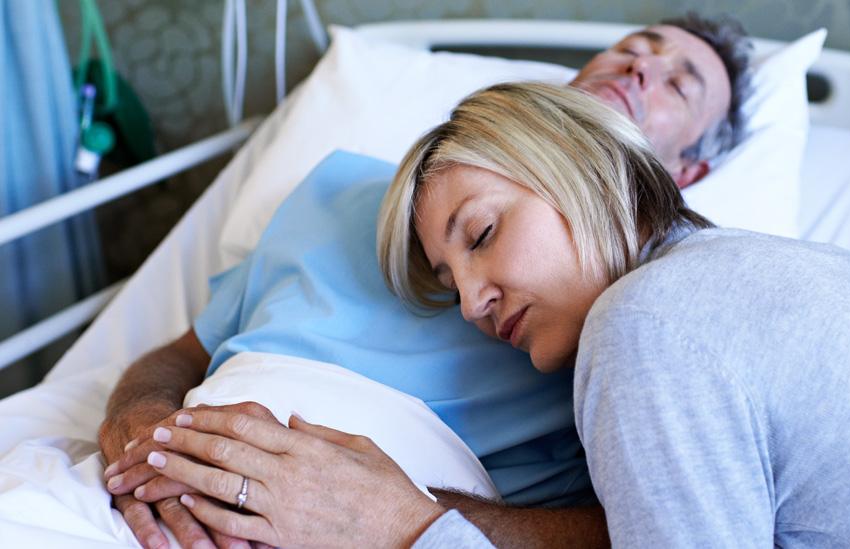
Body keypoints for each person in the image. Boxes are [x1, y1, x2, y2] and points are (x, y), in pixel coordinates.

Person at [134, 81, 850, 547]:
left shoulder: (649, 326)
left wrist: (407, 525)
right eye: (449, 275)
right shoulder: (791, 269)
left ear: (578, 163)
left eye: (484, 232)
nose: (471, 300)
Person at [98, 12, 753, 549]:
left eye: (680, 84)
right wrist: (146, 430)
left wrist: (394, 511)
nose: (470, 301)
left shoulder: (639, 322)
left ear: (686, 175)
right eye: (632, 48)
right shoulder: (341, 192)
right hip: (146, 498)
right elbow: (182, 353)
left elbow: (648, 530)